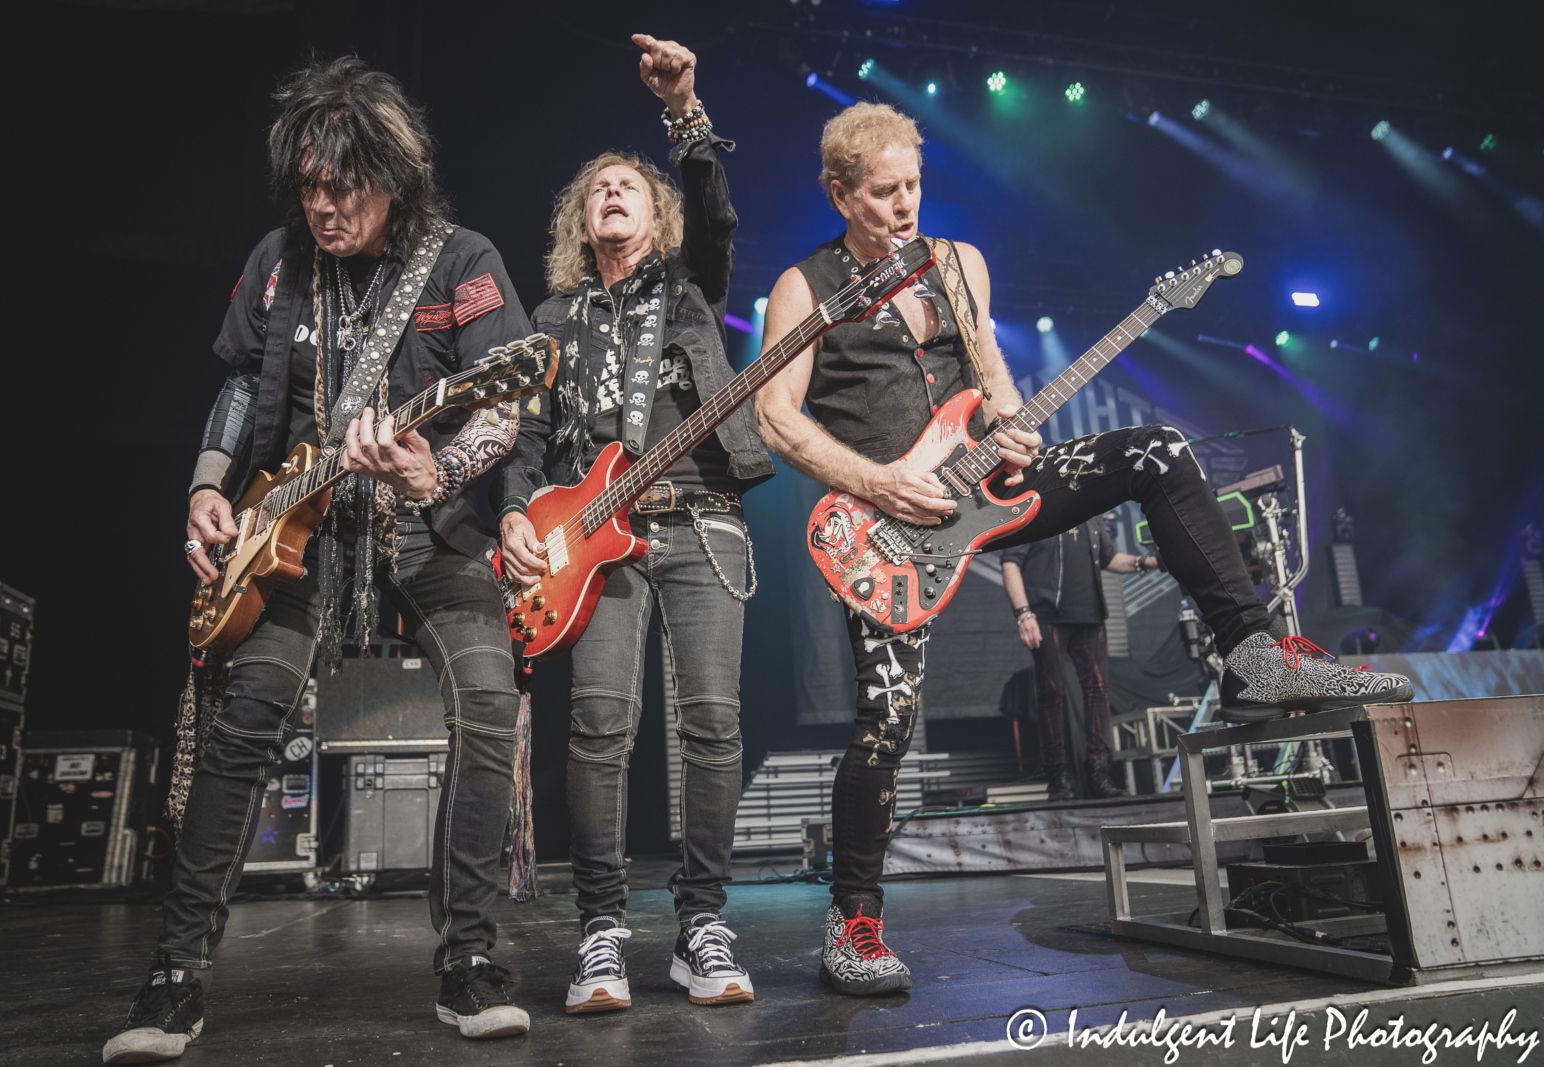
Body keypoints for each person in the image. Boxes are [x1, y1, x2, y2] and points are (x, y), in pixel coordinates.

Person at [754, 101, 1413, 997]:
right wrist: (877, 484)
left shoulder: (958, 264)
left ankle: (1252, 652)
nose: (906, 204)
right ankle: (856, 921)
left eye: (915, 184)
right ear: (839, 193)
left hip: (986, 490)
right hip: (888, 525)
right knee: (887, 721)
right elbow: (774, 418)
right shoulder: (806, 285)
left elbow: (991, 377)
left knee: (1157, 452)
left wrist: (1008, 418)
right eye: (883, 191)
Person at [103, 58, 535, 1062]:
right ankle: (174, 972)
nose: (324, 203)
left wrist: (441, 466)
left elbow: (504, 405)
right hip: (286, 531)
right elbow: (241, 390)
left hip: (423, 522)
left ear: (393, 173)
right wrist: (208, 489)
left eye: (342, 184)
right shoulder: (276, 260)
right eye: (308, 185)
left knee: (486, 695)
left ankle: (468, 956)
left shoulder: (460, 257)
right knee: (243, 722)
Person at [492, 36, 773, 1015]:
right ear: (581, 218)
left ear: (656, 217)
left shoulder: (689, 283)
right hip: (593, 542)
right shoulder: (551, 318)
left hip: (700, 520)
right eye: (597, 188)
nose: (611, 193)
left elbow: (717, 214)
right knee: (600, 729)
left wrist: (684, 113)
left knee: (711, 725)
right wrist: (521, 511)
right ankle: (601, 933)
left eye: (630, 187)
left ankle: (703, 925)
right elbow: (525, 442)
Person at [1002, 518, 1157, 801]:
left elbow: (1110, 559)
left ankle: (1098, 774)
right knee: (1052, 694)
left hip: (1090, 616)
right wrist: (1024, 614)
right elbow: (1010, 562)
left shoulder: (1092, 516)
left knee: (1097, 693)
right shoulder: (1038, 511)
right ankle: (1058, 780)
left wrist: (1148, 562)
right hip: (1047, 616)